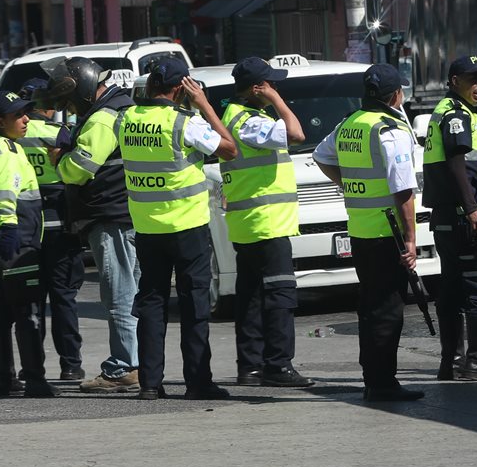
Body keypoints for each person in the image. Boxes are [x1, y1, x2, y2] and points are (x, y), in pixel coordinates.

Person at [118, 57, 237, 400]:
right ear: (180, 88)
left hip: (147, 227)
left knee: (152, 304)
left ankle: (150, 384)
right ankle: (197, 382)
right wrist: (205, 106)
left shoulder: (129, 119)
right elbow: (229, 150)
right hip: (187, 226)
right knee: (194, 305)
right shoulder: (185, 122)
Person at [314, 64, 423, 402]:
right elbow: (404, 190)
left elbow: (321, 155)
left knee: (371, 307)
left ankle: (373, 377)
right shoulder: (390, 130)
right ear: (395, 96)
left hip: (361, 230)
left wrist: (347, 185)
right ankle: (383, 383)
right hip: (385, 232)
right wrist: (410, 240)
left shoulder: (350, 124)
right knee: (388, 310)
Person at [46, 57, 141, 394]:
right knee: (132, 290)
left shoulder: (101, 118)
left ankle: (123, 367)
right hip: (128, 212)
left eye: (70, 100)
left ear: (82, 88)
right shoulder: (123, 106)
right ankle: (137, 362)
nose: (68, 107)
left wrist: (60, 159)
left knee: (119, 293)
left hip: (110, 216)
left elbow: (79, 169)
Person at [221, 57, 314, 388]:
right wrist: (277, 101)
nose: (276, 88)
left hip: (249, 223)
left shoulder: (236, 116)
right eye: (270, 84)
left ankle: (251, 366)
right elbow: (296, 133)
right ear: (256, 88)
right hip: (266, 223)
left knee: (251, 297)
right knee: (279, 294)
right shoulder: (248, 121)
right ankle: (278, 365)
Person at [422, 56, 477, 382]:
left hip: (445, 219)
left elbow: (456, 157)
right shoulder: (456, 115)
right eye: (474, 79)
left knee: (452, 289)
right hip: (464, 219)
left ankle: (452, 362)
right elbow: (457, 165)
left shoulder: (447, 112)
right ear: (455, 80)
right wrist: (472, 209)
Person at [0, 91, 58, 397]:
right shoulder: (5, 153)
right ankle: (34, 379)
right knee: (27, 312)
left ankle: (2, 379)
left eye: (26, 112)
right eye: (18, 115)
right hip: (13, 240)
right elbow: (4, 196)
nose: (26, 119)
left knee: (0, 312)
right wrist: (9, 233)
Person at [18, 78, 84, 381]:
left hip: (25, 228)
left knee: (30, 301)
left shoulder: (11, 136)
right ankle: (71, 365)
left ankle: (33, 367)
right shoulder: (59, 133)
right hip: (59, 226)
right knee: (63, 298)